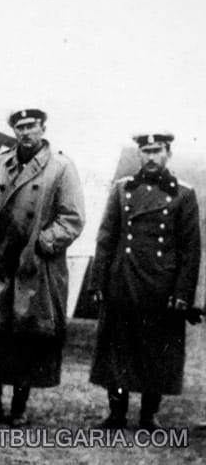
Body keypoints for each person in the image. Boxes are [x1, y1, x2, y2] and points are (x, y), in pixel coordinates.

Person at [0, 109, 84, 427]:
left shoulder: (61, 167)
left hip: (34, 267)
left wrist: (44, 242)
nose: (25, 131)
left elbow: (72, 217)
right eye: (19, 126)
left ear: (43, 127)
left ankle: (18, 409)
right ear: (13, 130)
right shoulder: (2, 163)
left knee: (25, 340)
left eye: (31, 126)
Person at [89, 132, 201, 430]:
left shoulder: (183, 194)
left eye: (157, 151)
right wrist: (98, 282)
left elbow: (191, 248)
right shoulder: (122, 189)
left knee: (158, 351)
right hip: (123, 280)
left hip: (161, 286)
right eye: (146, 151)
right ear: (139, 154)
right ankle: (116, 413)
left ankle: (149, 414)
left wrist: (183, 293)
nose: (151, 157)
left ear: (168, 154)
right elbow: (106, 238)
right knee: (118, 348)